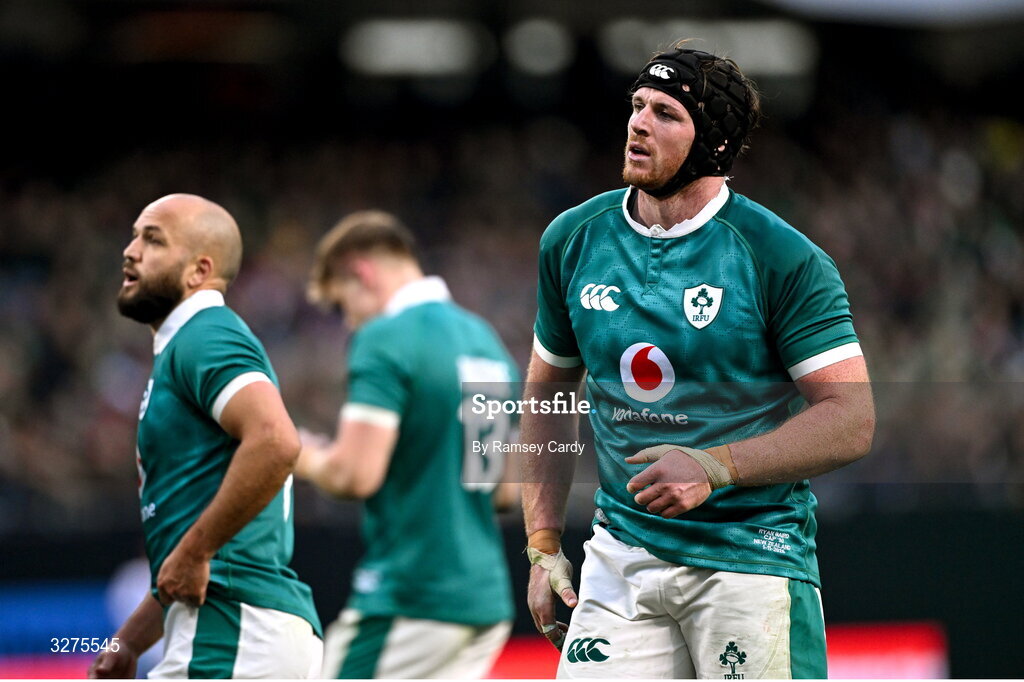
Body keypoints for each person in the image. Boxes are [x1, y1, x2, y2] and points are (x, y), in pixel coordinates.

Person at [521, 43, 876, 679]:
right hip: (621, 557)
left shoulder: (781, 257)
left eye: (665, 113)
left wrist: (717, 465)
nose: (638, 123)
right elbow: (548, 396)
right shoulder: (572, 238)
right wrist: (543, 545)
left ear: (711, 141)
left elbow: (851, 417)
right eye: (636, 106)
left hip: (751, 557)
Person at [88, 194, 322, 679]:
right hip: (235, 630)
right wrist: (130, 643)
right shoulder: (185, 346)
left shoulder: (205, 332)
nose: (130, 251)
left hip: (233, 630)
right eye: (134, 236)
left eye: (153, 239)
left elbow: (277, 442)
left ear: (199, 271)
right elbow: (186, 565)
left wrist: (195, 551)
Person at [294, 210, 517, 678]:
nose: (348, 321)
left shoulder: (386, 337)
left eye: (341, 305)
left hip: (414, 594)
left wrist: (303, 455)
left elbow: (355, 474)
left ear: (361, 271)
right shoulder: (486, 340)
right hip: (485, 599)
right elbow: (504, 491)